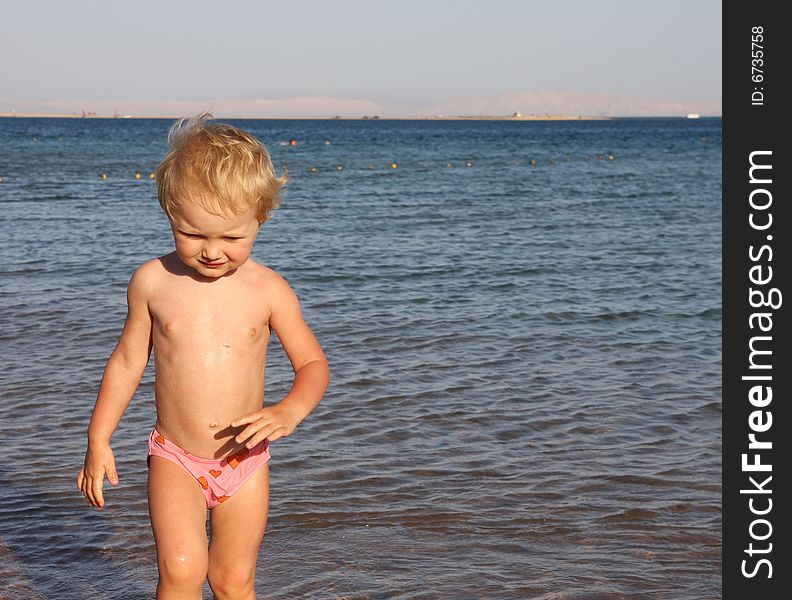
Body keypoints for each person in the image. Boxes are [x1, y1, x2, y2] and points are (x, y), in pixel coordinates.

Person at [77, 113, 330, 599]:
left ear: (261, 218)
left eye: (232, 237)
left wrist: (288, 410)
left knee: (233, 579)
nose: (213, 251)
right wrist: (98, 438)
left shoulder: (269, 290)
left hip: (245, 459)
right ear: (170, 213)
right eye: (193, 234)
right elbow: (128, 363)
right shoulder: (152, 282)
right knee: (181, 570)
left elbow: (313, 366)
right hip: (175, 458)